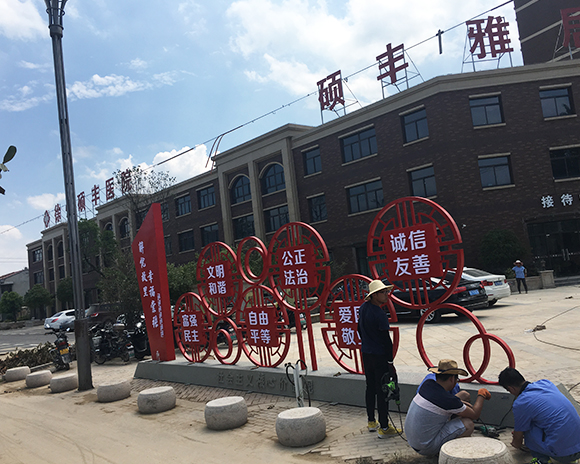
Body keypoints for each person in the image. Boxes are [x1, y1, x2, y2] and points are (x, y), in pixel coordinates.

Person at [405, 359, 491, 456]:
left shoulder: (428, 384)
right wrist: (481, 395)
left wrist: (461, 404)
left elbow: (448, 402)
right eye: (457, 380)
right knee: (468, 424)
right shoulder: (448, 401)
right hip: (426, 447)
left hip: (414, 441)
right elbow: (475, 415)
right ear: (451, 379)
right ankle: (450, 453)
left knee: (463, 395)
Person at [498, 367, 580, 464]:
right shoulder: (546, 383)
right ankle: (570, 458)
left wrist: (516, 441)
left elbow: (517, 442)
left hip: (564, 455)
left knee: (528, 429)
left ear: (511, 388)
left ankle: (542, 460)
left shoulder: (522, 402)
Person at [358, 279, 401, 438]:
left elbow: (359, 329)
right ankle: (384, 427)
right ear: (374, 295)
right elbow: (386, 340)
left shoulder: (363, 308)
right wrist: (390, 362)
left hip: (366, 354)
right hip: (379, 357)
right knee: (383, 390)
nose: (386, 295)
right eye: (383, 292)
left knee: (370, 387)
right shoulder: (379, 314)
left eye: (386, 291)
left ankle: (371, 421)